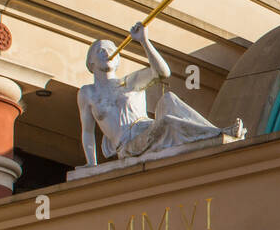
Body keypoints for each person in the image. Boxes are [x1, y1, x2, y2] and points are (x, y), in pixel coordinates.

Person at [78, 22, 244, 167]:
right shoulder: (88, 93)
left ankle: (217, 132)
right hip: (128, 145)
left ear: (117, 60)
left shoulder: (129, 82)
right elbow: (87, 132)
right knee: (167, 123)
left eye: (111, 50)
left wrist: (144, 40)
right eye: (100, 50)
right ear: (90, 62)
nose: (107, 53)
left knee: (168, 99)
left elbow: (162, 73)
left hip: (148, 129)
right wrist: (91, 164)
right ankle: (219, 135)